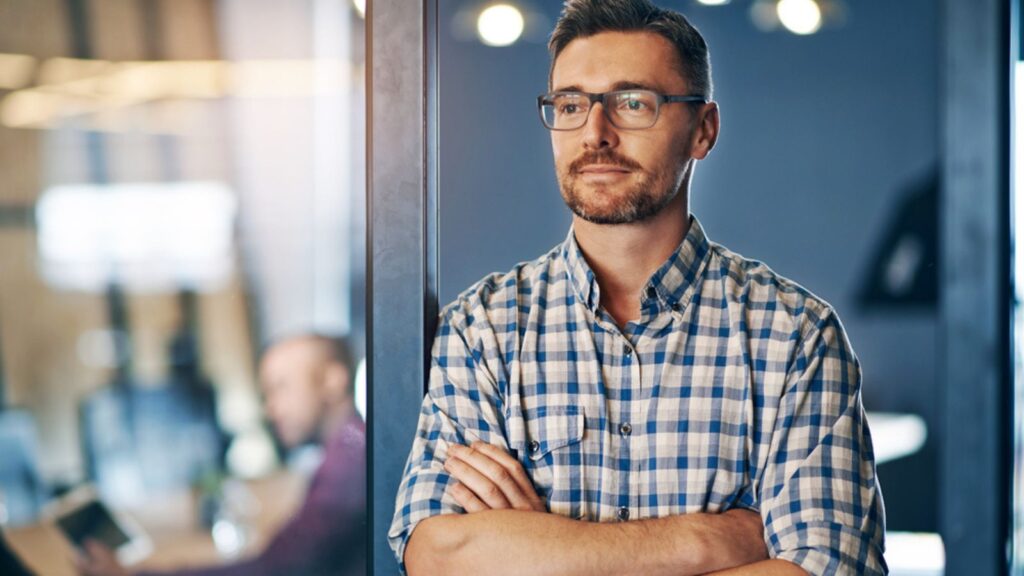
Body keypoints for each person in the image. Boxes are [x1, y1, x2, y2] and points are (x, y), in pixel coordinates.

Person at [388, 1, 886, 574]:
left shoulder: (795, 336)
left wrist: (542, 550)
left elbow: (834, 567)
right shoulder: (483, 328)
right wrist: (706, 543)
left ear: (703, 130)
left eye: (632, 103)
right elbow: (437, 554)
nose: (595, 133)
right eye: (571, 105)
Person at [77, 334, 366, 576]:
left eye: (281, 388)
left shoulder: (350, 463)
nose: (271, 409)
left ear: (333, 380)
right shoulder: (350, 449)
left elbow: (277, 568)